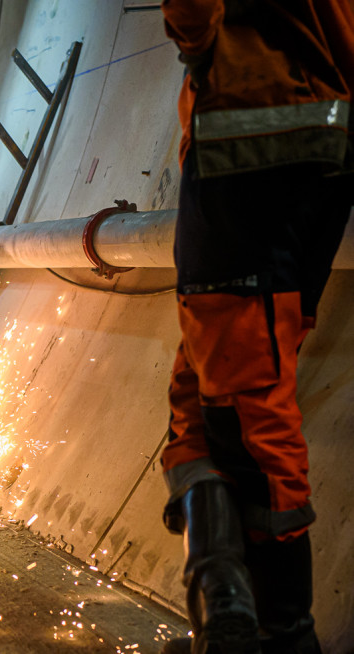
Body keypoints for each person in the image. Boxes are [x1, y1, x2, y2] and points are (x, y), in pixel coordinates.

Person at [158, 2, 354, 653]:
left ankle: (282, 631)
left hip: (246, 133)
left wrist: (198, 50)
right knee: (204, 375)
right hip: (328, 141)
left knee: (244, 402)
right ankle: (223, 599)